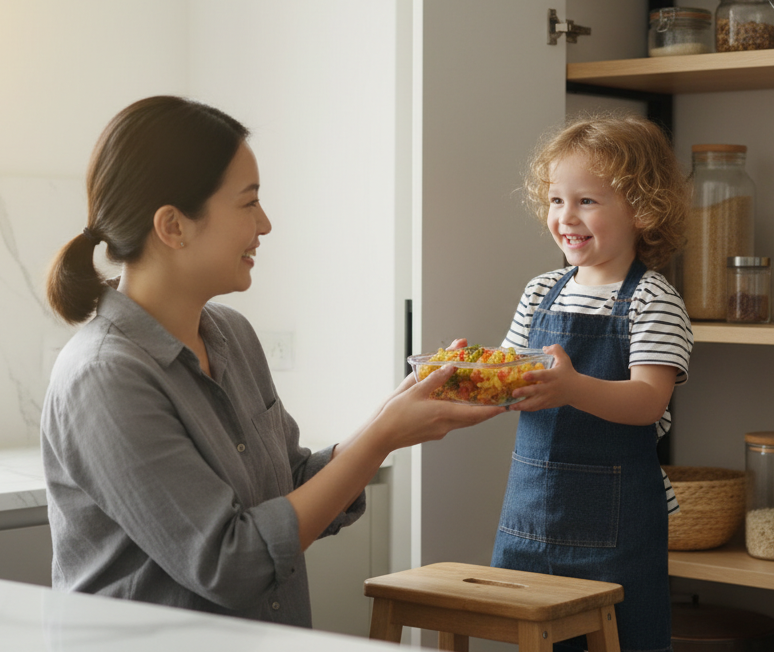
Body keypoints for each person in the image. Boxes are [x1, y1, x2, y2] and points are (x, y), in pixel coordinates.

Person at [41, 95, 503, 627]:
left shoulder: (231, 335)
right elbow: (232, 564)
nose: (265, 224)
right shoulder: (105, 377)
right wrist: (382, 437)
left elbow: (286, 486)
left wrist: (391, 417)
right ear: (173, 227)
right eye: (247, 203)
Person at [491, 115, 693, 652]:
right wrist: (475, 376)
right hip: (528, 519)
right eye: (557, 200)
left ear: (643, 208)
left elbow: (649, 400)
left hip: (615, 536)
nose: (566, 217)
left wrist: (573, 387)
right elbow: (510, 375)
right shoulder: (540, 292)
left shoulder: (654, 300)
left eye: (587, 201)